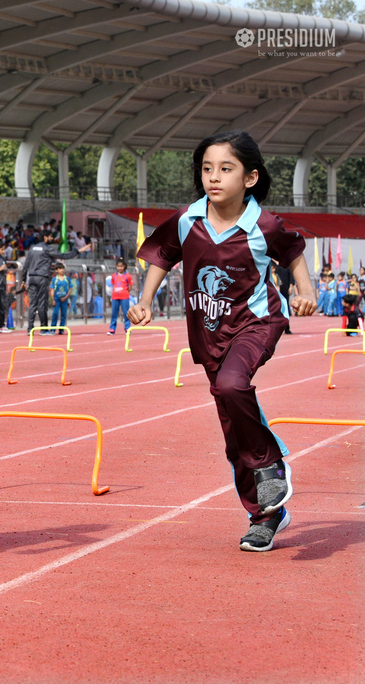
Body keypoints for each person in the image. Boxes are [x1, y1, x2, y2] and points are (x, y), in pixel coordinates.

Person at [130, 130, 315, 553]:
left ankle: (270, 466)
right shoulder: (186, 220)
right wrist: (144, 300)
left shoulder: (262, 224)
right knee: (234, 433)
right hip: (208, 332)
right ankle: (265, 517)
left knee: (234, 385)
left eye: (225, 169)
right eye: (207, 168)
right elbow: (162, 255)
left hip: (256, 322)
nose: (214, 177)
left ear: (249, 178)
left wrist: (305, 291)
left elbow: (292, 252)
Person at [17, 229, 92, 334]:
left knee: (32, 304)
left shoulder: (32, 249)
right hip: (42, 277)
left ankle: (30, 329)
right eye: (51, 236)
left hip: (32, 278)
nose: (52, 238)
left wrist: (23, 280)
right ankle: (43, 329)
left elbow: (25, 266)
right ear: (45, 237)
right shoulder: (47, 249)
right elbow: (64, 256)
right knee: (42, 304)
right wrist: (79, 250)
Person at [106, 259, 134, 335]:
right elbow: (113, 284)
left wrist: (126, 292)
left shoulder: (127, 276)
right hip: (115, 297)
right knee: (114, 313)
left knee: (126, 313)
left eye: (121, 266)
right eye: (118, 266)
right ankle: (112, 328)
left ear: (124, 266)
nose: (120, 268)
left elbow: (130, 286)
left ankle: (127, 328)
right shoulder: (114, 275)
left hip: (124, 296)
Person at [49, 263, 71, 333]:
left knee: (64, 314)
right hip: (56, 298)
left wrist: (66, 297)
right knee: (55, 313)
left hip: (64, 298)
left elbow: (70, 288)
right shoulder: (54, 279)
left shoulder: (67, 279)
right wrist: (53, 299)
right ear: (56, 270)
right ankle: (53, 328)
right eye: (60, 269)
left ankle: (61, 329)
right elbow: (52, 289)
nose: (62, 270)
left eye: (63, 269)